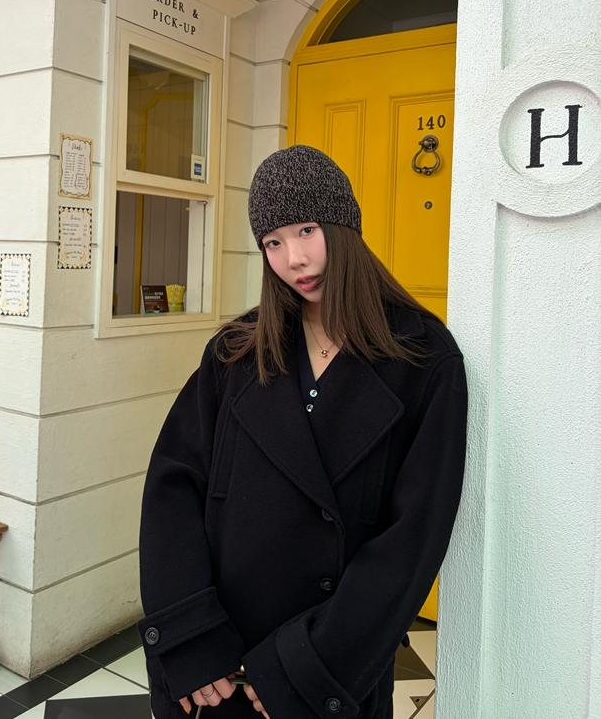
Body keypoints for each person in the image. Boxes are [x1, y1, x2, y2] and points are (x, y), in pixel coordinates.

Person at [137, 145, 468, 719]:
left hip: (323, 668)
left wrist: (308, 666)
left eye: (307, 231)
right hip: (217, 665)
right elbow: (173, 489)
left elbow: (413, 540)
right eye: (273, 242)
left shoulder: (422, 359)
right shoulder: (236, 352)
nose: (294, 258)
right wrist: (189, 635)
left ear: (344, 228)